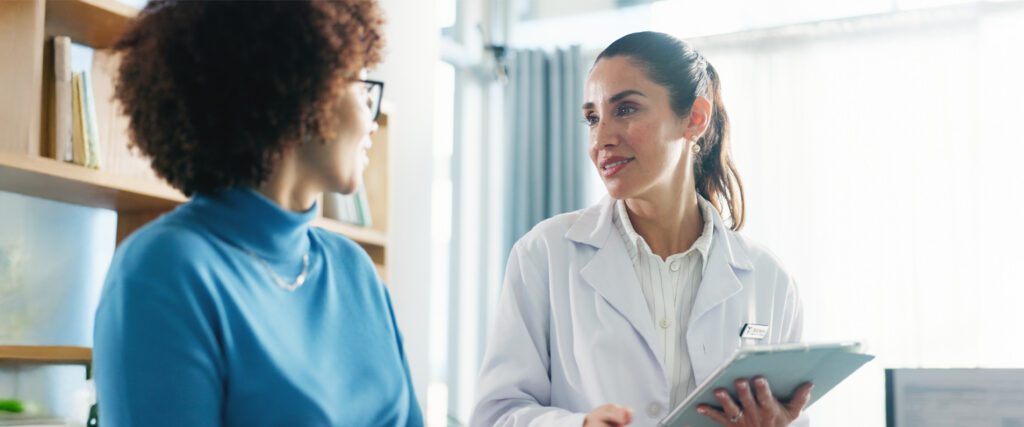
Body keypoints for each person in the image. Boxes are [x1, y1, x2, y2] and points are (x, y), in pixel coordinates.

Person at [92, 1, 422, 426]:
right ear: (306, 87)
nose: (371, 120)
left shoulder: (355, 270)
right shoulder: (163, 272)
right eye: (363, 88)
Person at [472, 31, 812, 427]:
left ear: (695, 119)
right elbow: (496, 416)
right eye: (592, 118)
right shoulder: (544, 254)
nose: (601, 139)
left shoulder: (769, 280)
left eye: (626, 110)